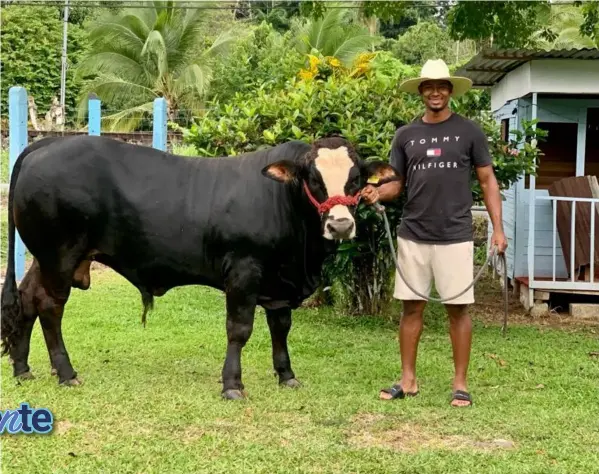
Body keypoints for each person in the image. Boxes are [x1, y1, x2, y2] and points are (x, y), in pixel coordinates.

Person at [361, 59, 507, 407]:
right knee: (412, 309)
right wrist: (377, 193)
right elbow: (396, 184)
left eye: (442, 86)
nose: (436, 91)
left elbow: (487, 180)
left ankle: (460, 384)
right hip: (413, 233)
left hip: (455, 235)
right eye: (429, 86)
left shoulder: (469, 132)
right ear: (422, 92)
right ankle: (408, 380)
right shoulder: (405, 135)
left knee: (458, 310)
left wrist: (498, 230)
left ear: (450, 90)